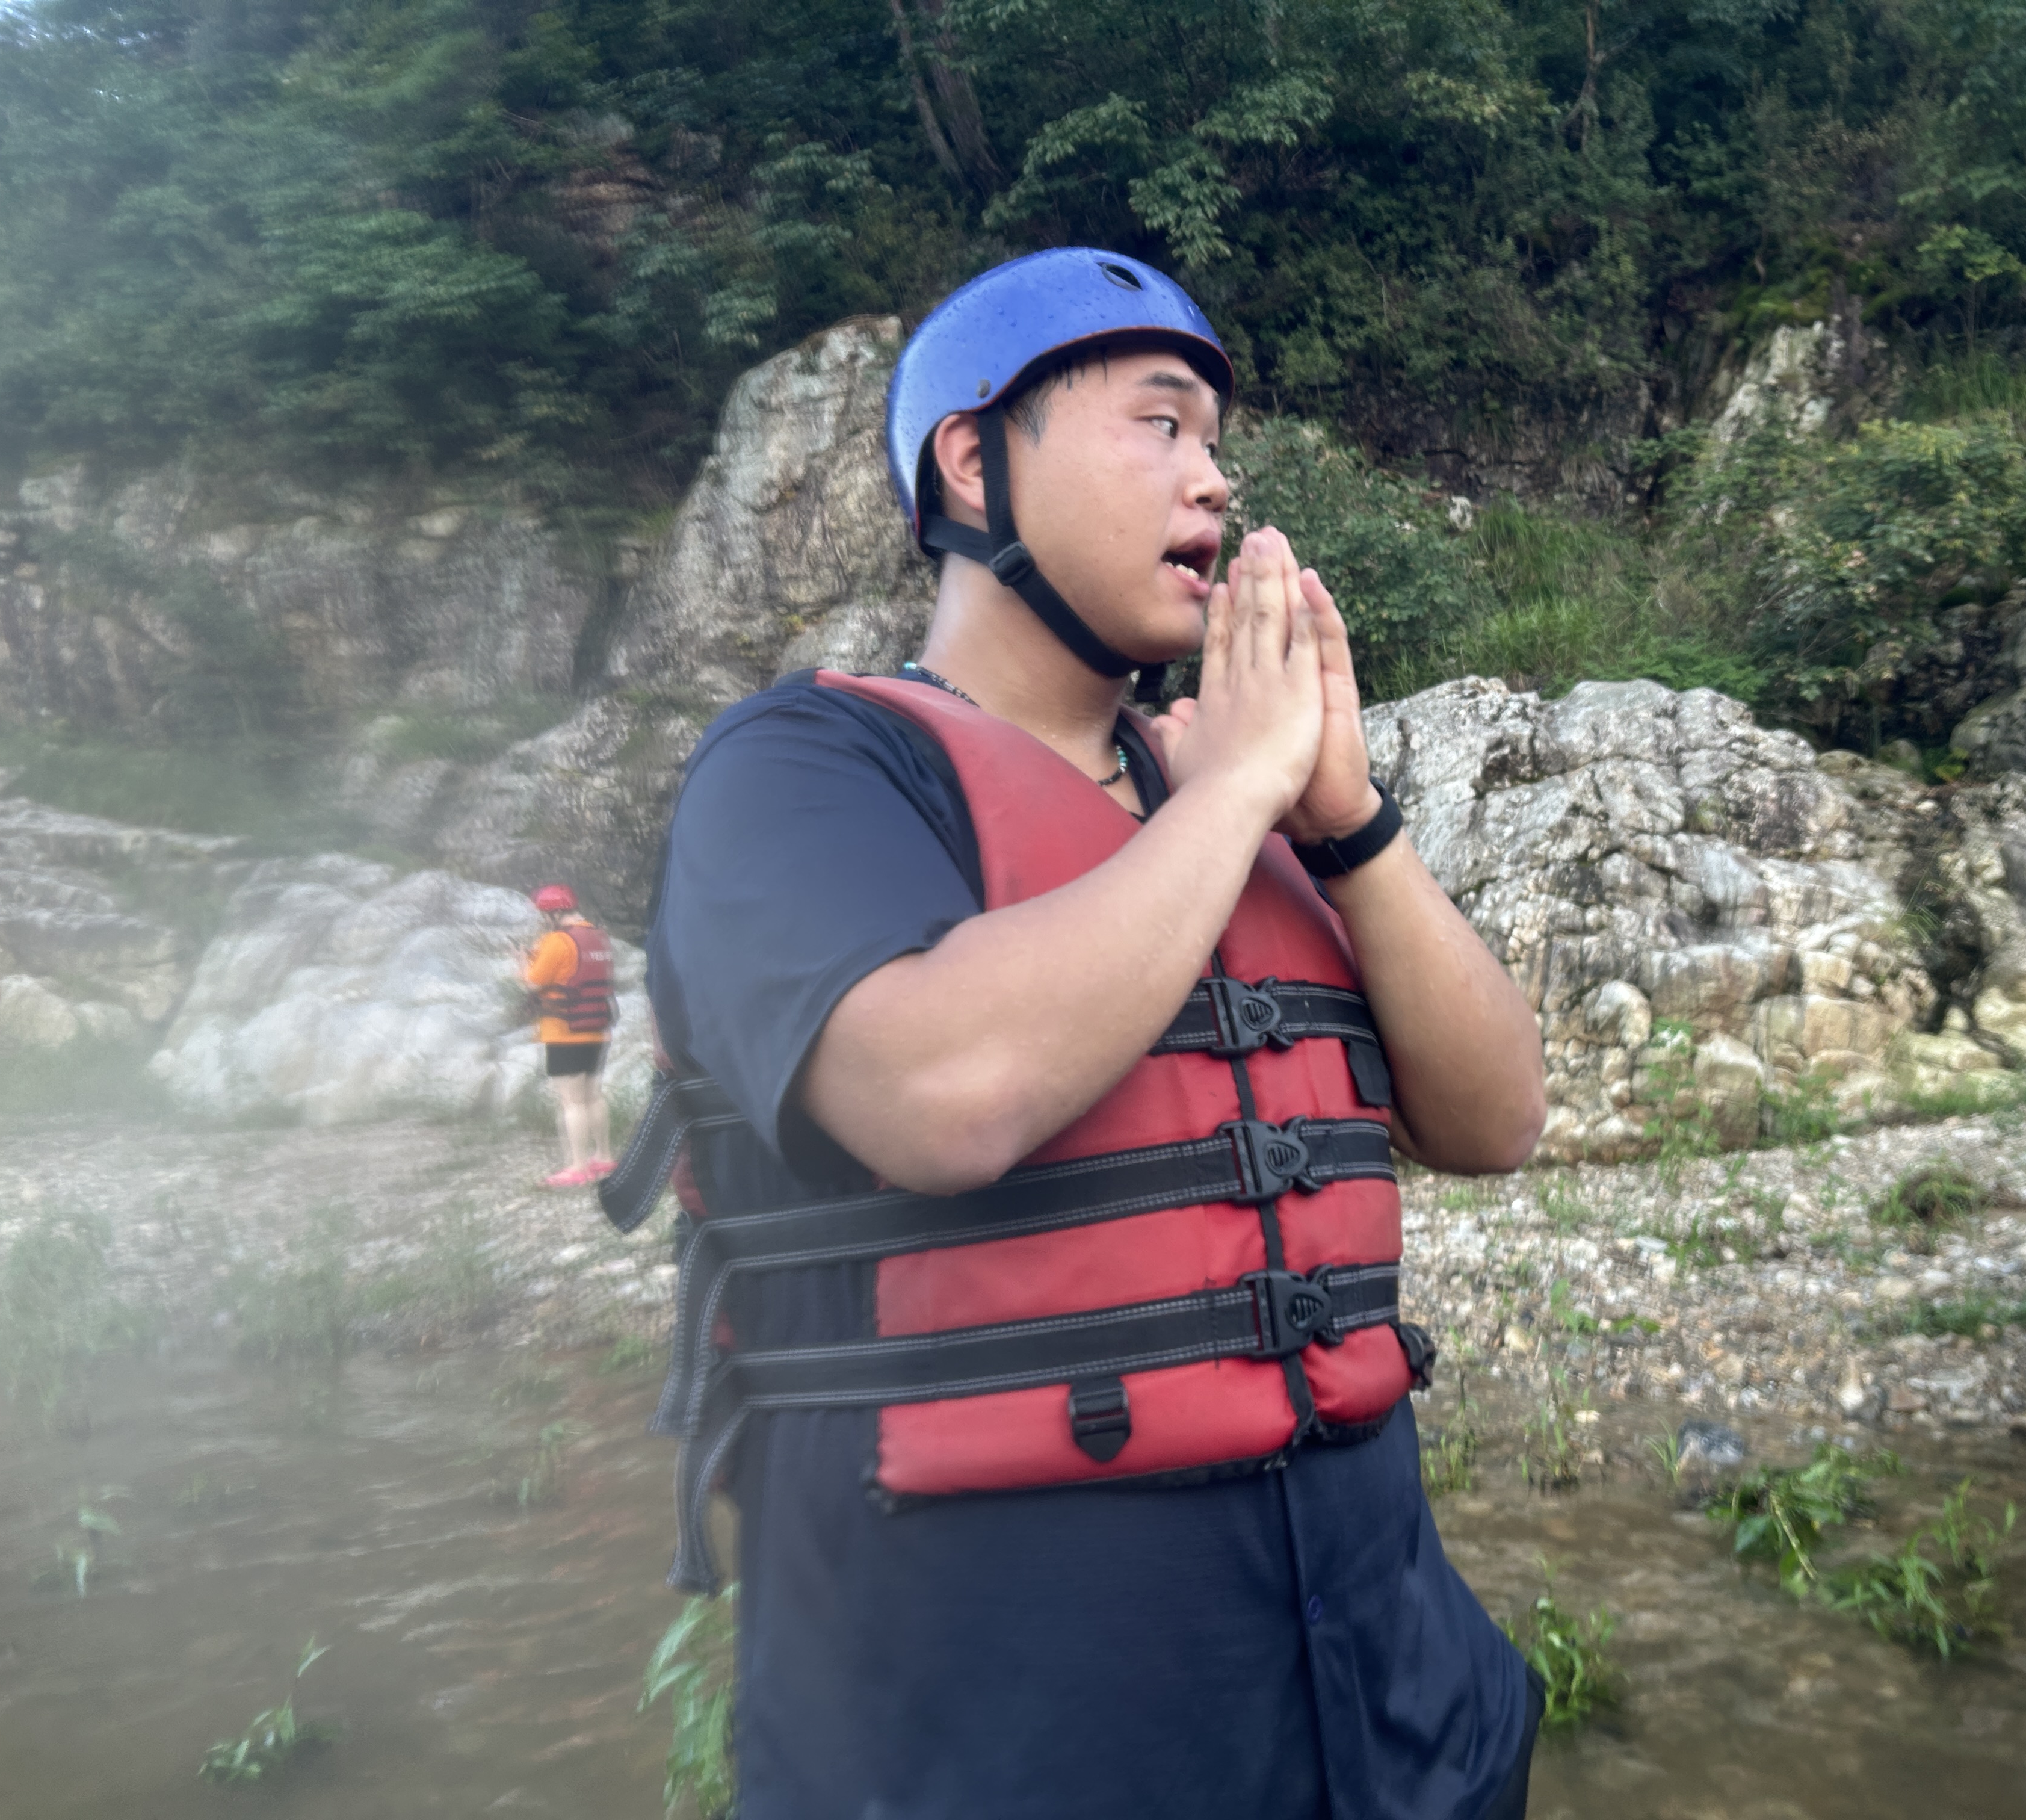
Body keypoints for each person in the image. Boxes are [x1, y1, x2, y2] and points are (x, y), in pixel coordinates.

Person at [637, 247, 1550, 1819]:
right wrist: (1242, 788)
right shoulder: (797, 773)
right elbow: (946, 1091)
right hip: (1003, 1759)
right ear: (972, 461)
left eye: (1217, 442)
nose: (1215, 480)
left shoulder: (1245, 812)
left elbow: (1497, 1119)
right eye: (1160, 423)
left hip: (1404, 1739)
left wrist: (1344, 820)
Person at [523, 884, 614, 1187]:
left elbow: (534, 981)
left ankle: (578, 1167)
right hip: (598, 1029)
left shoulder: (557, 940)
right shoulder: (599, 936)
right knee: (593, 1095)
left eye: (543, 914)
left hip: (565, 1032)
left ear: (555, 912)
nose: (542, 919)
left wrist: (523, 961)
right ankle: (604, 1156)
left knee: (572, 1102)